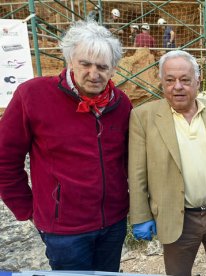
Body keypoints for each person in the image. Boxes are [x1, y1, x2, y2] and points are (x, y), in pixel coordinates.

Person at [0, 20, 132, 271]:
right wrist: (27, 209)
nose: (94, 73)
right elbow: (5, 160)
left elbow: (127, 158)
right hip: (64, 231)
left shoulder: (121, 103)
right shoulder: (32, 96)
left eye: (103, 66)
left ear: (113, 69)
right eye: (85, 64)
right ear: (70, 60)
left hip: (113, 223)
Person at [128, 50, 206, 276]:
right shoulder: (143, 116)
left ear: (197, 81)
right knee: (178, 272)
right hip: (176, 215)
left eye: (185, 80)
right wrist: (141, 216)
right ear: (161, 82)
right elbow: (137, 172)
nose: (177, 86)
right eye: (170, 80)